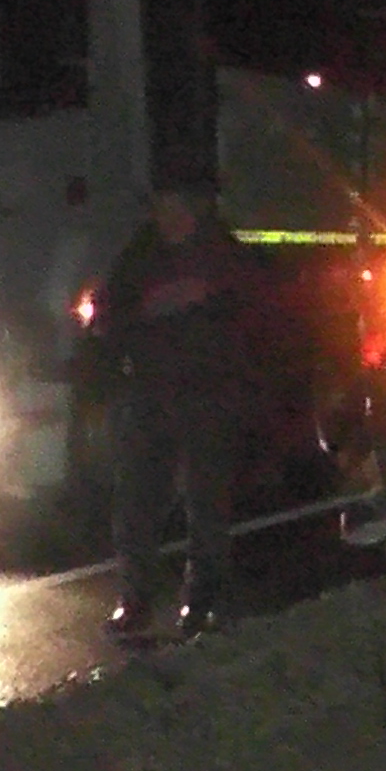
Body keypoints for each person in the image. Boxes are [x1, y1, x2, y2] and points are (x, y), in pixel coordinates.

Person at [89, 163, 260, 643]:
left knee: (206, 504)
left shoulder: (226, 257)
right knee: (137, 506)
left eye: (172, 204)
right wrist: (148, 310)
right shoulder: (141, 255)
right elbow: (107, 314)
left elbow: (257, 318)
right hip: (150, 392)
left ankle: (202, 601)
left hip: (208, 395)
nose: (164, 214)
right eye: (160, 204)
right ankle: (135, 601)